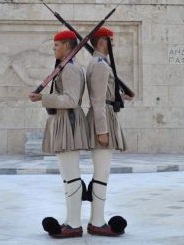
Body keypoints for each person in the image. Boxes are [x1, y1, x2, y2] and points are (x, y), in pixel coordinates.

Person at [29, 30, 89, 238]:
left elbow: (71, 100)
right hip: (64, 121)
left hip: (69, 121)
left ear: (67, 46)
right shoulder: (66, 67)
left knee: (71, 175)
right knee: (67, 176)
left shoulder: (71, 69)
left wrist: (43, 98)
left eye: (56, 46)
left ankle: (74, 225)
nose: (53, 49)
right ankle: (70, 221)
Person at [85, 26, 129, 236]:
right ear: (103, 41)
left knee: (102, 172)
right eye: (112, 40)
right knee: (102, 173)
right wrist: (102, 130)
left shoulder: (101, 63)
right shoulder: (100, 64)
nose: (114, 44)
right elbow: (98, 100)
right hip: (103, 119)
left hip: (106, 115)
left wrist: (123, 94)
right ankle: (97, 222)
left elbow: (107, 93)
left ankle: (97, 218)